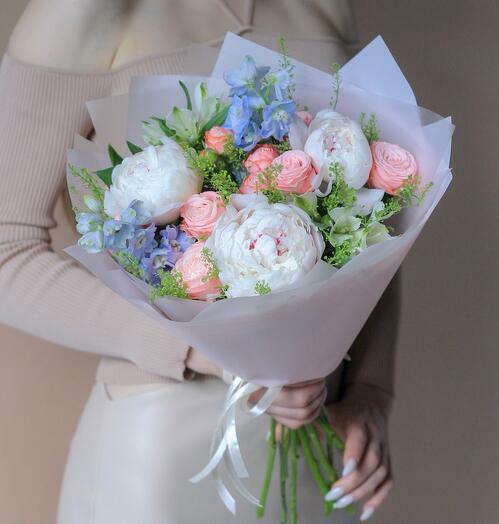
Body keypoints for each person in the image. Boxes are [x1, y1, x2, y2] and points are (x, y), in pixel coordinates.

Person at [0, 1, 397, 522]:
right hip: (165, 450)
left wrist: (371, 391)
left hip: (319, 437)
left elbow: (381, 225)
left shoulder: (327, 8)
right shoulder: (81, 10)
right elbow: (7, 251)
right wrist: (199, 349)